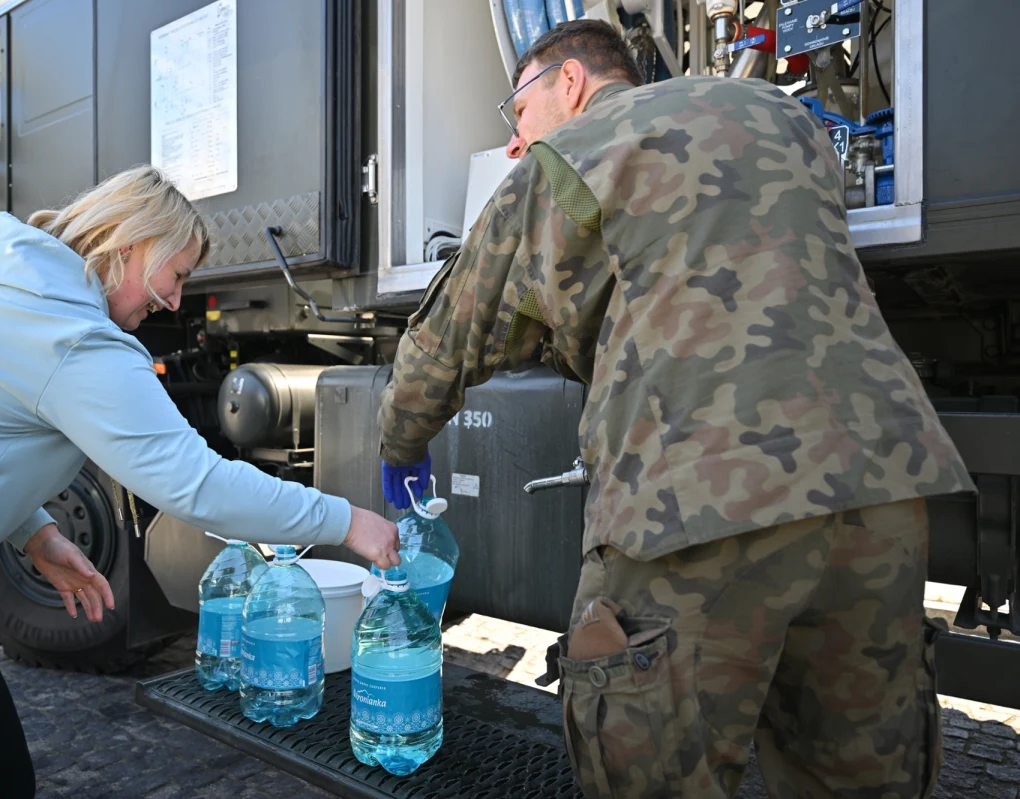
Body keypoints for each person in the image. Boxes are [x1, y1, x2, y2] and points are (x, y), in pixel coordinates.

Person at [377, 19, 973, 799]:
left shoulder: (566, 160)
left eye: (516, 113)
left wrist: (399, 447)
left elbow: (445, 342)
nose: (517, 142)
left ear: (570, 83)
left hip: (695, 506)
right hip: (883, 489)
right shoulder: (782, 115)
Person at [0, 165, 400, 799]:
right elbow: (199, 487)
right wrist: (350, 522)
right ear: (131, 246)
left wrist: (36, 533)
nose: (176, 302)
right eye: (176, 276)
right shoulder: (69, 334)